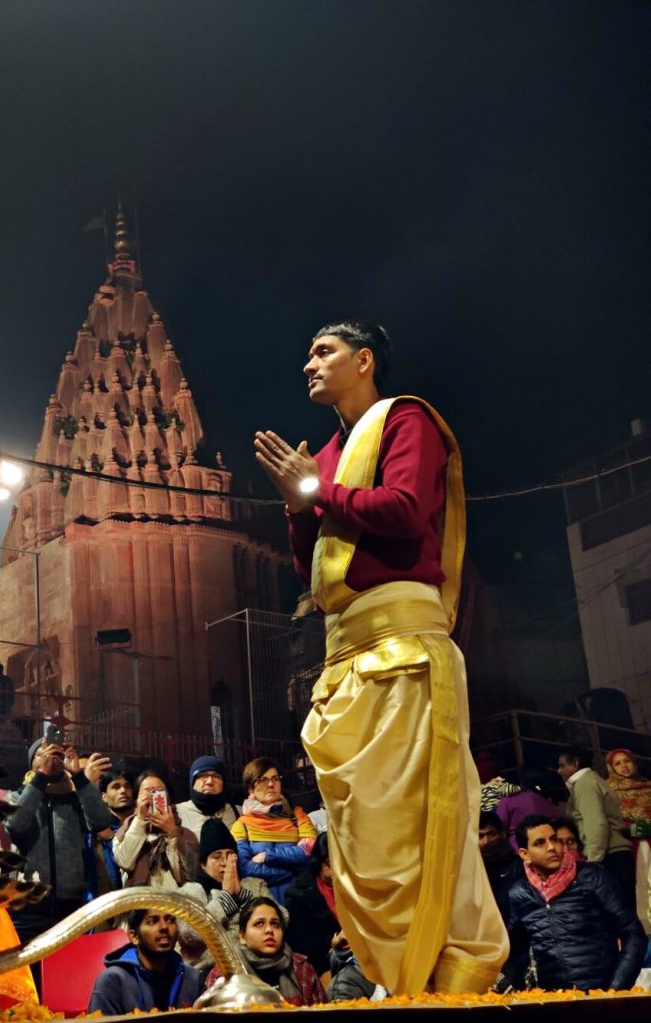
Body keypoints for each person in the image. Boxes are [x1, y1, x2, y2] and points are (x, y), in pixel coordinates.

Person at [254, 320, 507, 994]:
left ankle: (449, 975)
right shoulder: (331, 452)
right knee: (366, 838)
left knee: (418, 825)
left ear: (364, 361)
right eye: (307, 351)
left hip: (401, 648)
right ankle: (399, 978)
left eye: (324, 350)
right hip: (345, 657)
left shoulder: (406, 419)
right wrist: (296, 506)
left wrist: (315, 491)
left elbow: (402, 510)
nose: (308, 361)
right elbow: (314, 568)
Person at [507, 815, 646, 991]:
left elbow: (633, 933)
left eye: (554, 839)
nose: (552, 847)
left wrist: (616, 989)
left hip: (601, 995)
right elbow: (512, 950)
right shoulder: (520, 894)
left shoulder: (593, 877)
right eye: (540, 843)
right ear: (524, 854)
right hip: (552, 1001)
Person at [5, 738, 115, 950]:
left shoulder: (76, 798)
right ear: (32, 764)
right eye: (43, 754)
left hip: (70, 909)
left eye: (57, 754)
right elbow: (15, 824)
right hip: (26, 910)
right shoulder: (16, 796)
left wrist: (79, 776)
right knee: (29, 978)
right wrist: (42, 778)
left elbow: (102, 821)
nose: (51, 758)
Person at [284, 831, 374, 1000]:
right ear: (318, 864)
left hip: (364, 958)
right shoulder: (298, 895)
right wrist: (333, 943)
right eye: (329, 864)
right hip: (321, 964)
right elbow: (302, 945)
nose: (336, 870)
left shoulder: (359, 886)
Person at [177, 817, 272, 973]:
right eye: (216, 856)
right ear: (203, 864)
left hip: (259, 968)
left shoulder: (255, 885)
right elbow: (191, 933)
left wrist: (242, 895)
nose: (224, 862)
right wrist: (227, 896)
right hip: (208, 976)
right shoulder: (188, 891)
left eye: (229, 855)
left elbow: (282, 917)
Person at [206, 897, 327, 1006]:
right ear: (242, 937)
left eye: (275, 924)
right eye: (259, 924)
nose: (269, 930)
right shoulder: (224, 973)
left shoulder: (301, 969)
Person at [556, 746, 635, 905]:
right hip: (613, 855)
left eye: (562, 765)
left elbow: (596, 823)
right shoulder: (592, 780)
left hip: (609, 856)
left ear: (575, 764)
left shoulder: (585, 784)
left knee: (619, 915)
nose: (559, 771)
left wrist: (593, 861)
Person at [231, 757, 316, 903]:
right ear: (251, 788)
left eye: (275, 778)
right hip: (261, 906)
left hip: (300, 903)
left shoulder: (297, 816)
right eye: (263, 779)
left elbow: (310, 851)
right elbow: (245, 868)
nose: (271, 784)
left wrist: (268, 856)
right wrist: (292, 872)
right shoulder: (242, 825)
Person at [87, 909, 203, 1014]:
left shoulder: (193, 979)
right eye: (153, 921)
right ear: (134, 937)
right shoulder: (113, 981)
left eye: (170, 920)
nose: (164, 926)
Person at [113, 768, 198, 888]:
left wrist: (172, 833)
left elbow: (189, 876)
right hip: (139, 902)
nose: (153, 796)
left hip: (174, 902)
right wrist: (140, 820)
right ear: (136, 799)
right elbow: (125, 863)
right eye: (147, 791)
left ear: (168, 799)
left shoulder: (186, 835)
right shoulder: (123, 832)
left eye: (159, 791)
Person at [606, 747, 651, 935]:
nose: (624, 766)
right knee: (640, 888)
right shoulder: (608, 790)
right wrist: (627, 827)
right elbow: (608, 820)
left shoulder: (648, 787)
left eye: (627, 761)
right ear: (610, 767)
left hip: (650, 842)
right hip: (629, 847)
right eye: (618, 763)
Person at [85, 768, 135, 908]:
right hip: (105, 906)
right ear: (104, 797)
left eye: (127, 786)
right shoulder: (95, 833)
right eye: (116, 787)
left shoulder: (140, 826)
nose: (123, 791)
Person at [494, 769, 559, 852]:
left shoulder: (509, 799)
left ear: (522, 782)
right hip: (546, 849)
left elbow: (499, 827)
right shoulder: (547, 803)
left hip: (516, 850)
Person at [478, 811, 524, 926]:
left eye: (491, 834)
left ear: (502, 834)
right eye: (480, 836)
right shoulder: (471, 868)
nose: (486, 841)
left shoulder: (518, 865)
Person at [176, 755, 240, 839]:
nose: (210, 782)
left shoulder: (240, 813)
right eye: (203, 775)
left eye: (216, 776)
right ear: (192, 782)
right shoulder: (176, 813)